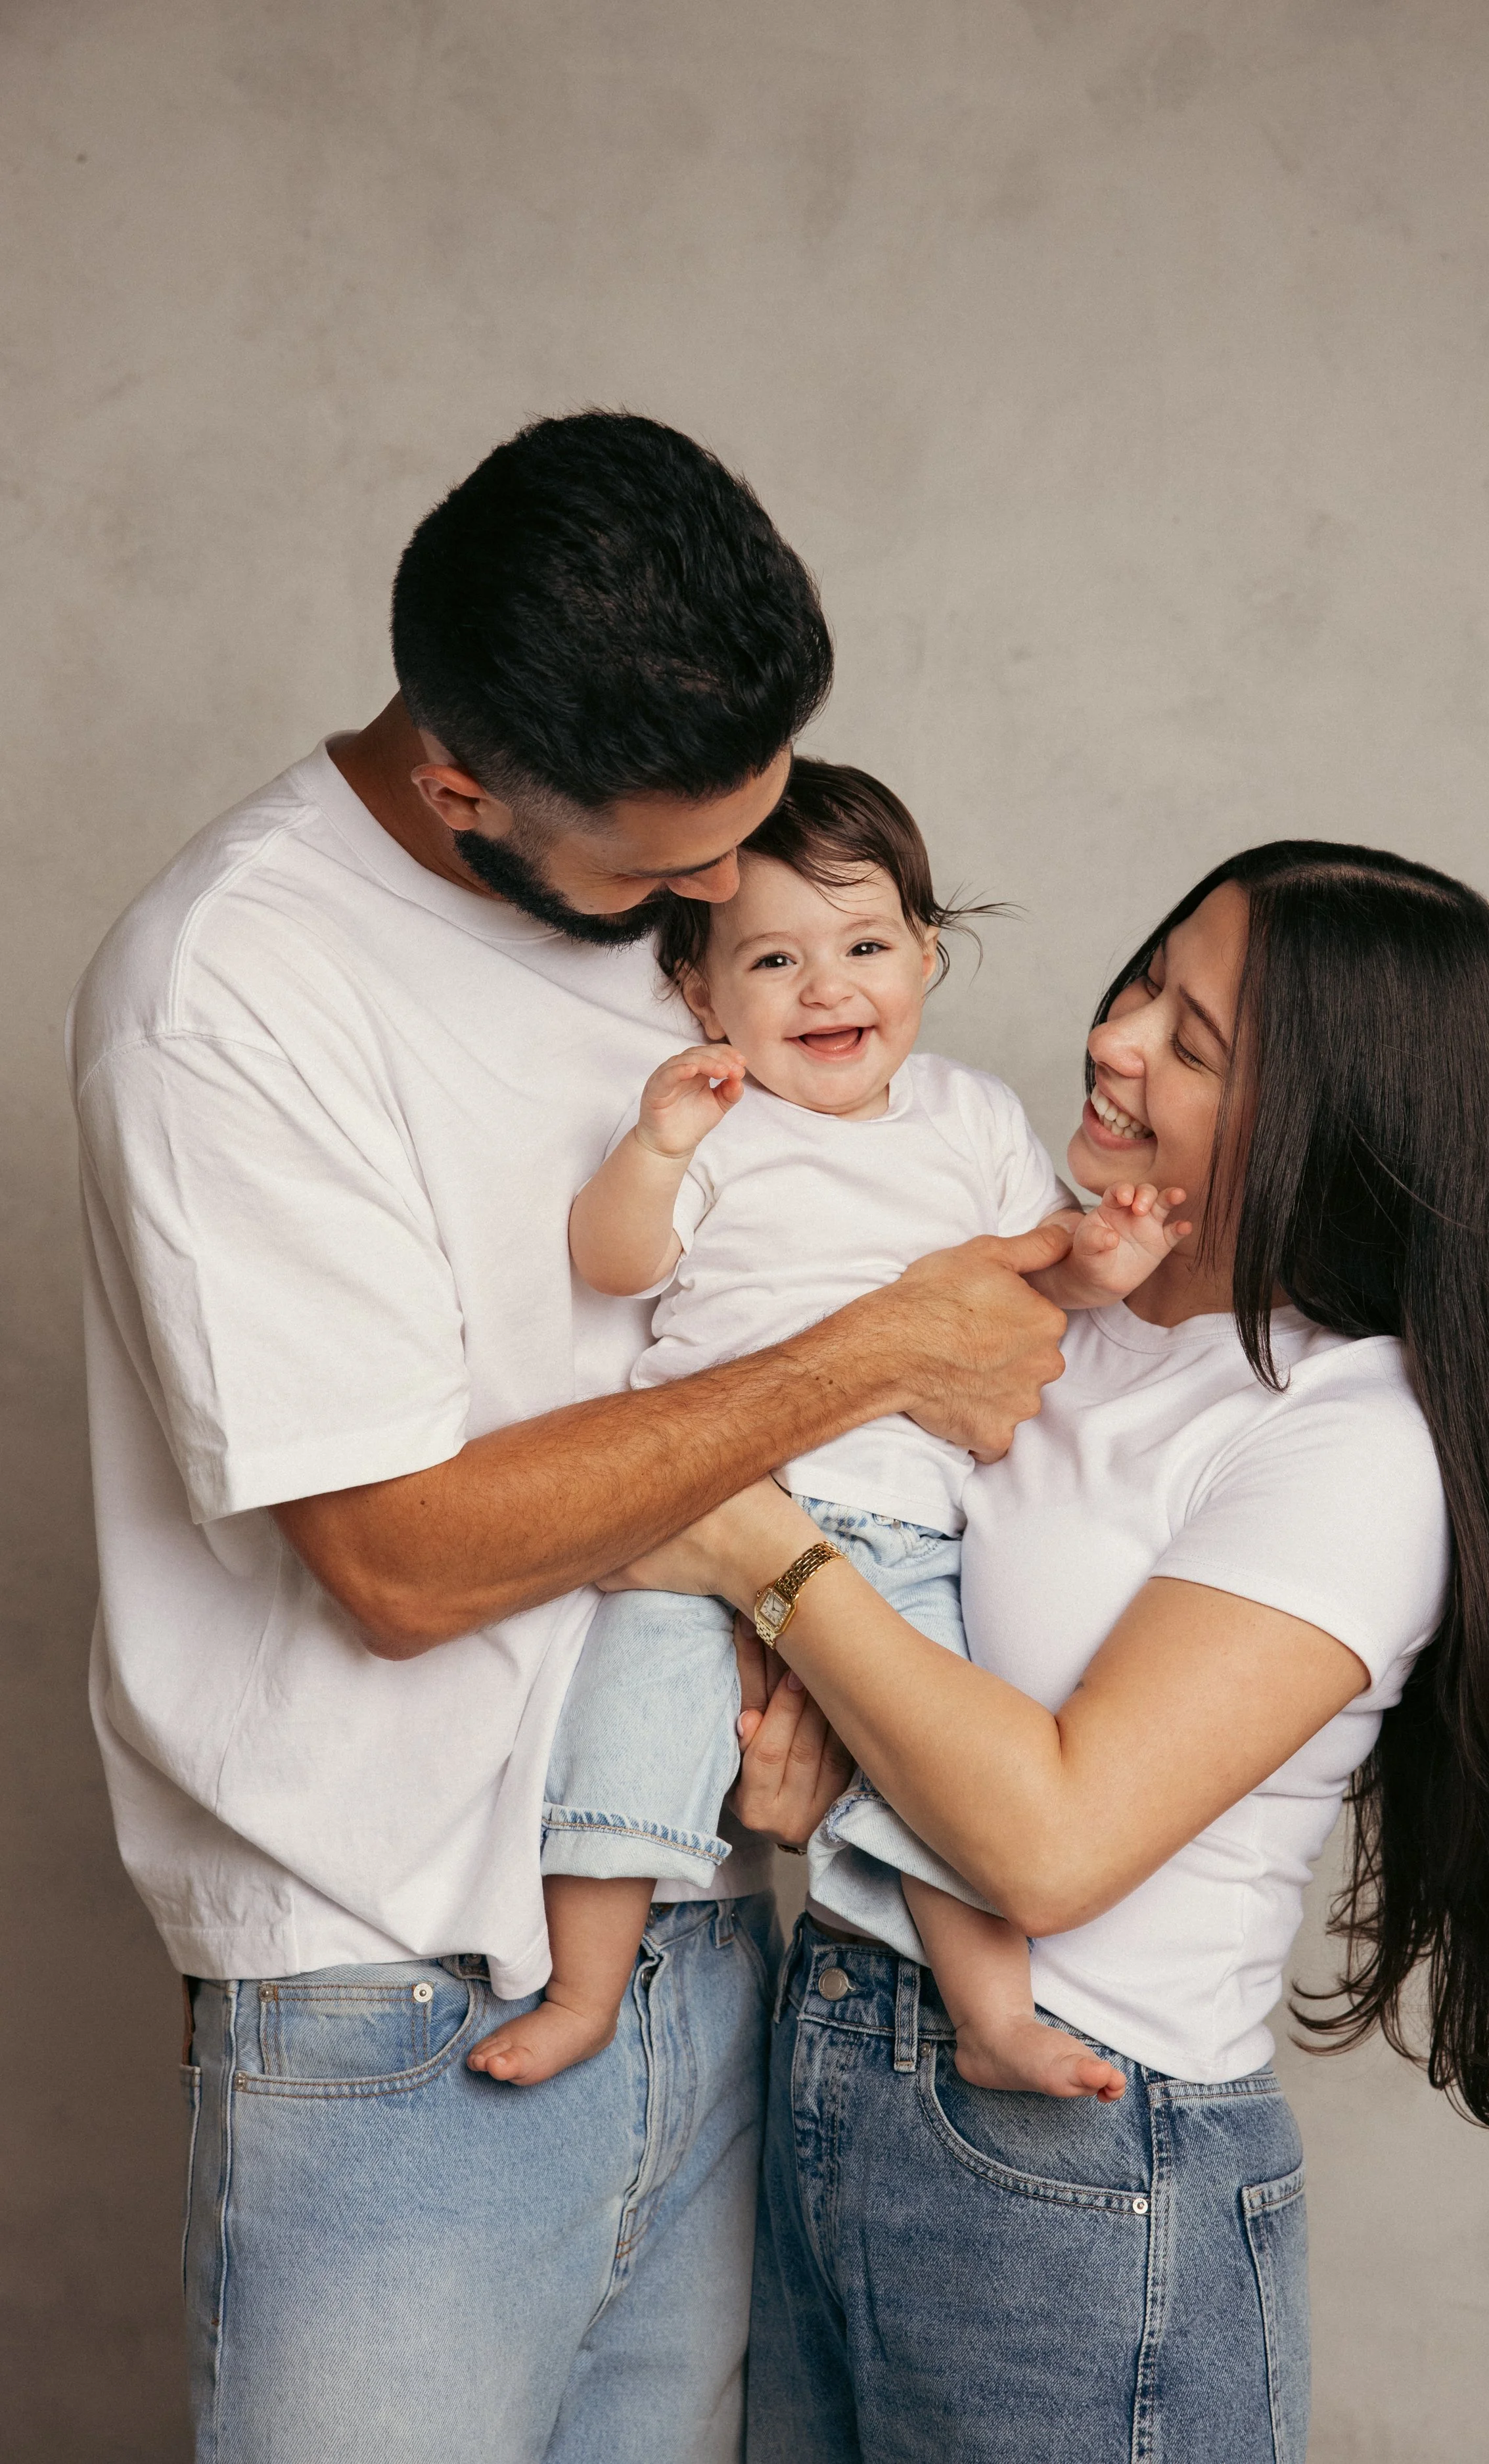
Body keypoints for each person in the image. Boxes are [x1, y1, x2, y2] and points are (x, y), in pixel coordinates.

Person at [67, 413, 1072, 2464]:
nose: (725, 902)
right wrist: (884, 1353)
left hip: (704, 1917)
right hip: (396, 1996)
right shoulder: (238, 989)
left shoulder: (674, 913)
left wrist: (793, 1663)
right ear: (458, 787)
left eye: (759, 832)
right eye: (673, 869)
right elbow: (407, 1556)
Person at [608, 840, 1489, 2464]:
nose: (1115, 1038)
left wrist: (753, 1552)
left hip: (1082, 2163)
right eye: (1145, 979)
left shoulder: (1345, 1441)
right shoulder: (1044, 1302)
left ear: (1330, 1121)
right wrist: (816, 1738)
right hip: (838, 2068)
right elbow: (902, 1637)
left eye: (1194, 1040)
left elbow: (1047, 1841)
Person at [466, 758, 1187, 2101]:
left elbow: (1032, 1285)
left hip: (903, 1527)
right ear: (699, 993)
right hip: (706, 1513)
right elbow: (617, 1263)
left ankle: (991, 2018)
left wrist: (1106, 1263)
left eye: (865, 945)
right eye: (774, 961)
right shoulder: (719, 1121)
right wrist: (657, 1148)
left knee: (946, 1786)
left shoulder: (967, 1116)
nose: (826, 988)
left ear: (927, 953)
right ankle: (580, 1992)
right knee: (621, 1735)